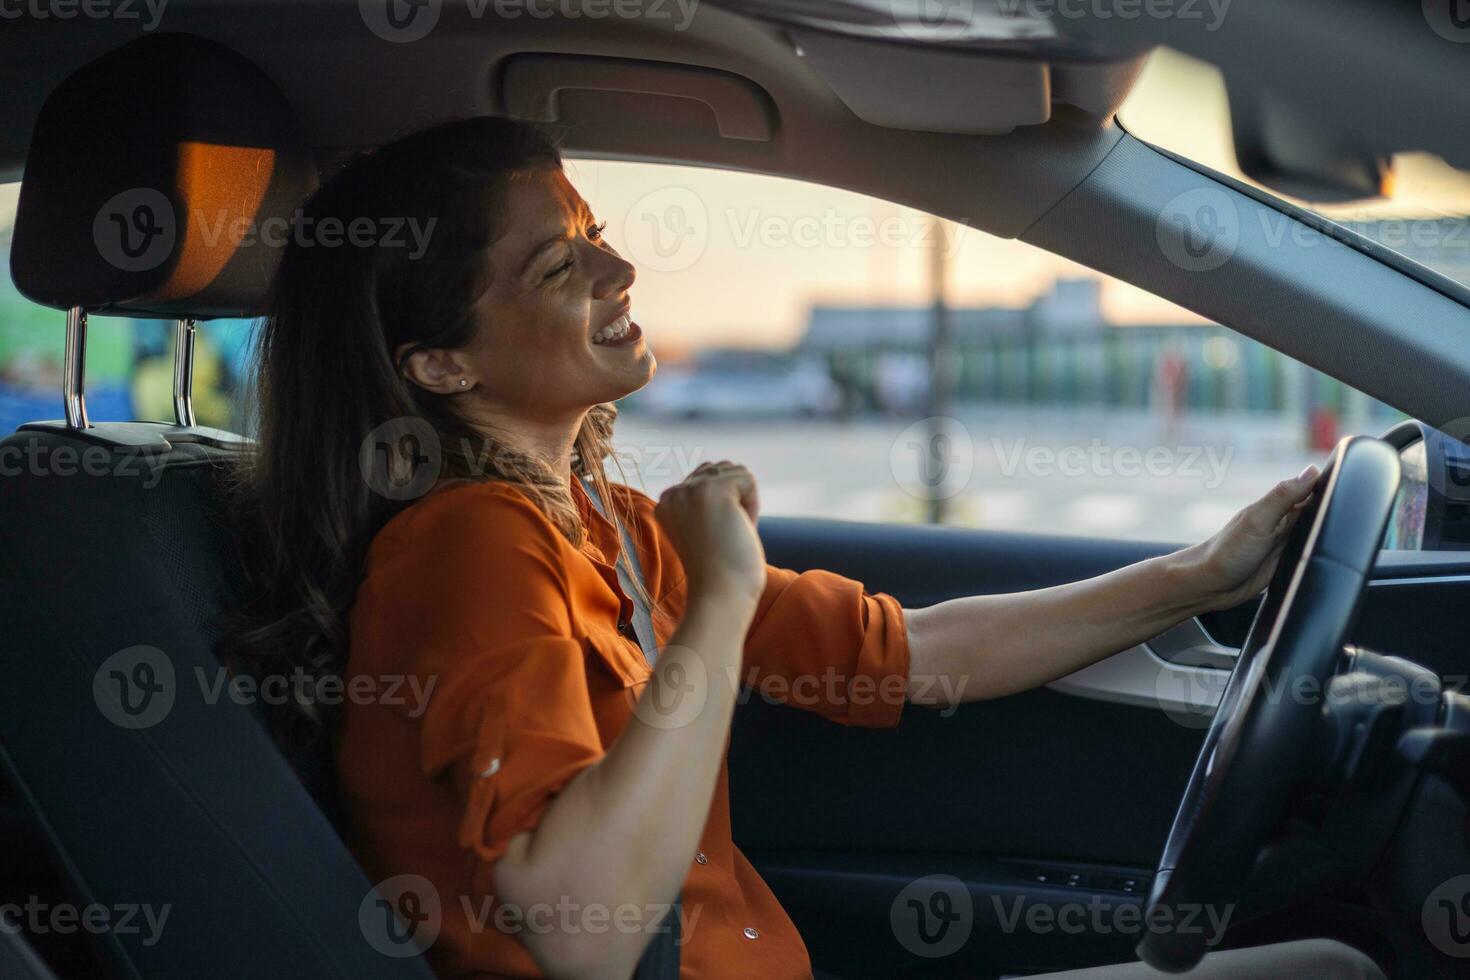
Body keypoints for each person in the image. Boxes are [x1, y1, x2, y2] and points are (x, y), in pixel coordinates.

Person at [218, 117, 1385, 980]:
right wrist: (722, 598)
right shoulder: (470, 547)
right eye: (559, 267)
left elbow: (915, 652)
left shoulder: (603, 525)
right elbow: (577, 930)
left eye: (598, 238)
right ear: (441, 365)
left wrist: (1204, 569)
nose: (620, 273)